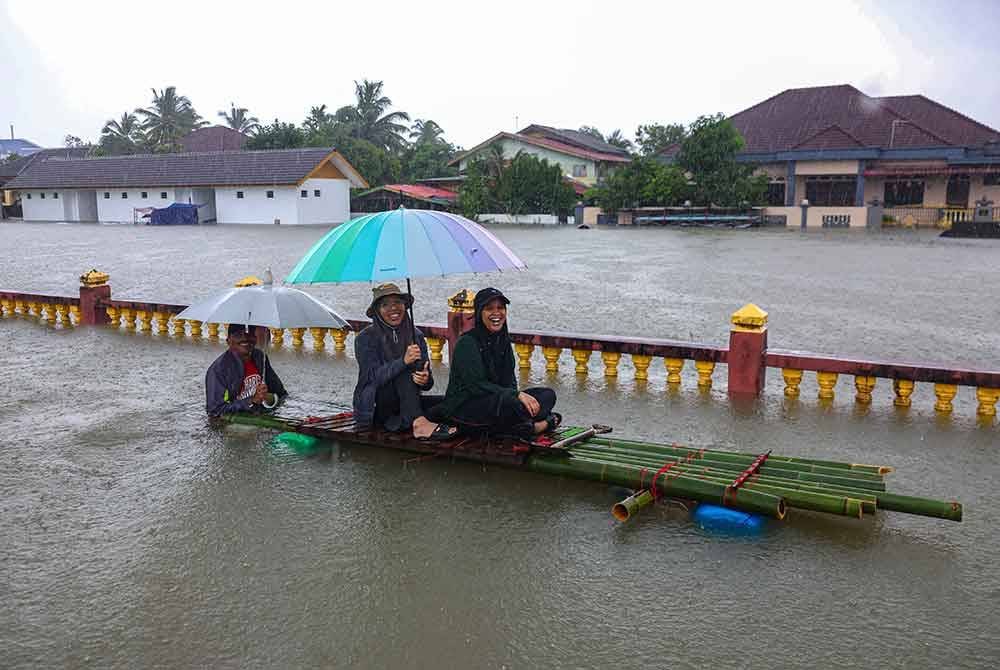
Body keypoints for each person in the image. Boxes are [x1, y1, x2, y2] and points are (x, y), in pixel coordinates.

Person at [434, 287, 560, 438]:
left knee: (547, 395)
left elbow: (510, 381)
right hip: (465, 406)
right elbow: (476, 386)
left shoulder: (503, 340)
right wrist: (515, 396)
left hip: (498, 401)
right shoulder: (467, 342)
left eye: (500, 308)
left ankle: (522, 425)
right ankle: (538, 424)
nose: (496, 313)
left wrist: (517, 396)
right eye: (489, 308)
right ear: (480, 313)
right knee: (511, 404)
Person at [353, 283, 455, 440]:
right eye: (385, 305)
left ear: (405, 306)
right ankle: (419, 424)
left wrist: (425, 378)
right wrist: (403, 361)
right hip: (378, 406)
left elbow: (428, 385)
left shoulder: (416, 335)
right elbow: (372, 378)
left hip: (407, 404)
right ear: (377, 312)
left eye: (397, 303)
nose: (393, 308)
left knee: (450, 403)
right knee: (405, 371)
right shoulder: (365, 338)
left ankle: (417, 419)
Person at [205, 324, 287, 417]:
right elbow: (214, 410)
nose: (245, 338)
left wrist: (268, 398)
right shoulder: (218, 370)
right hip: (235, 424)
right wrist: (251, 401)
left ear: (255, 339)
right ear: (228, 341)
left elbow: (281, 393)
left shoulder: (260, 357)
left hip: (261, 417)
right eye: (238, 335)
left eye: (250, 334)